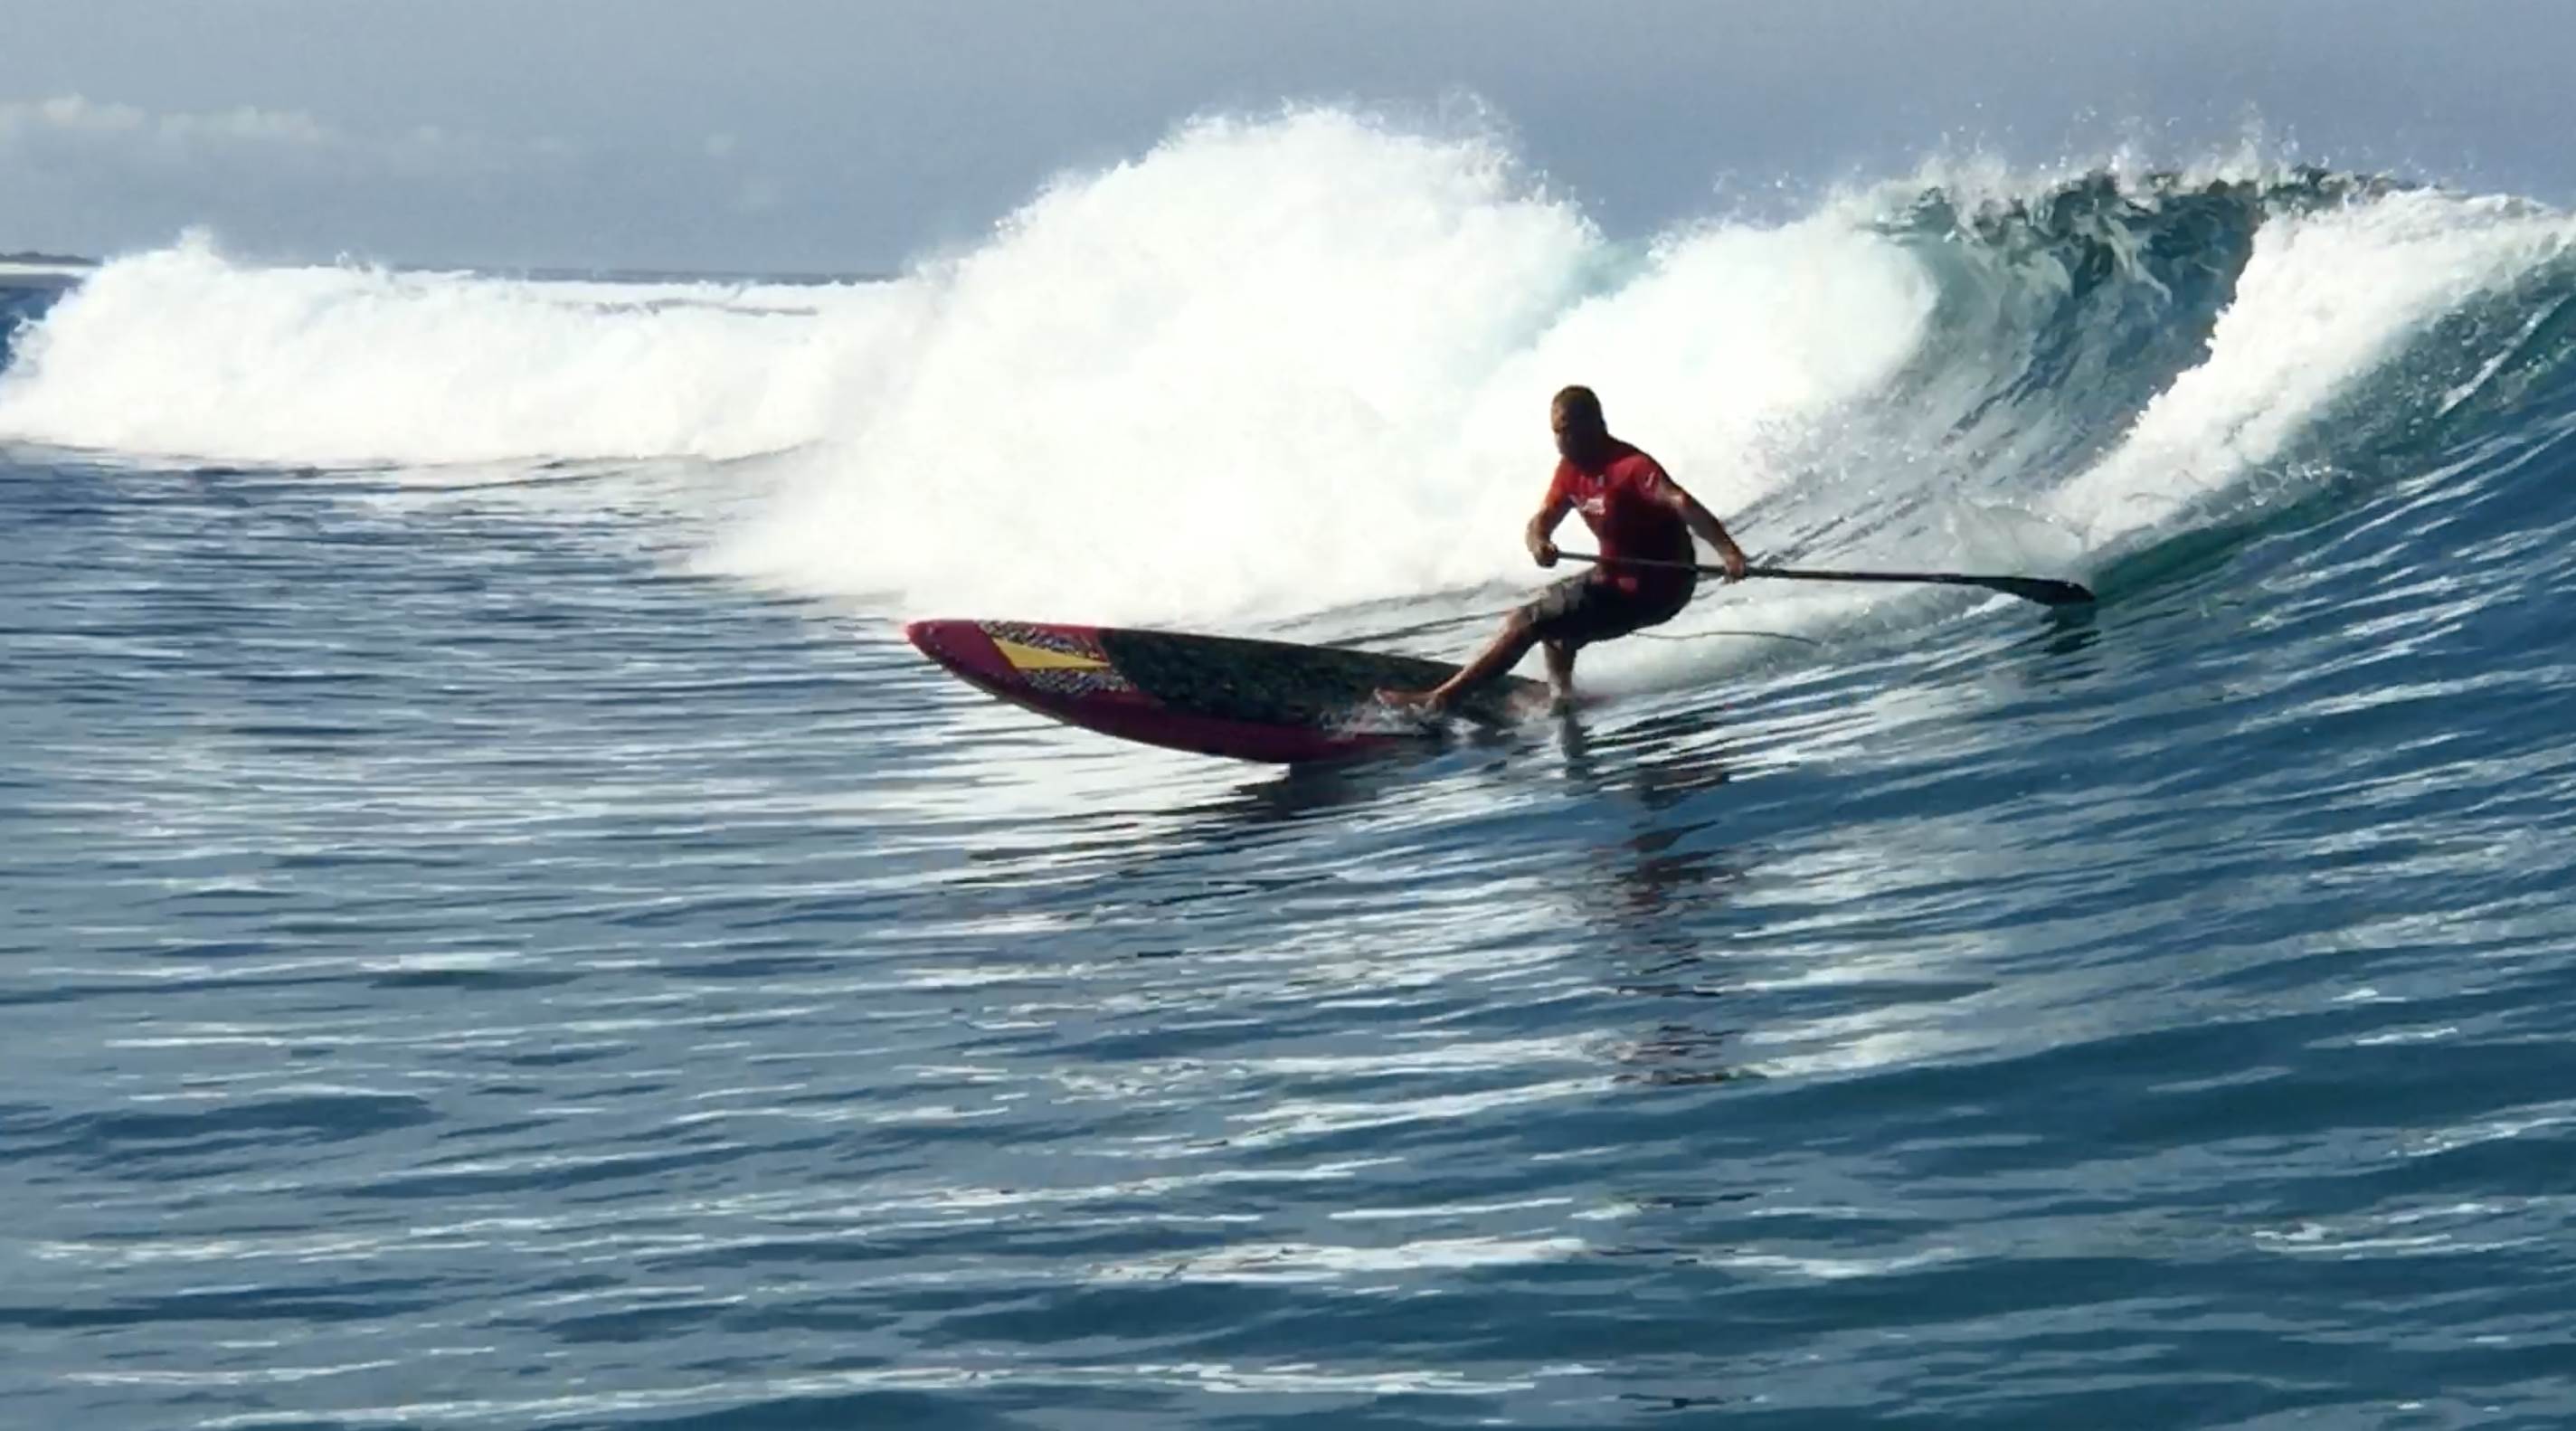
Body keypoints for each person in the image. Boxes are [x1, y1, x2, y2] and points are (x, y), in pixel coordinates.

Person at [1380, 385, 1748, 715]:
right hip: (1614, 583)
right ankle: (1563, 697)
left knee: (1528, 621)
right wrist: (1539, 542)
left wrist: (1728, 553)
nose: (1561, 440)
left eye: (1568, 430)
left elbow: (1681, 502)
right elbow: (1541, 519)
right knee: (1554, 618)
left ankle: (1439, 701)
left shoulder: (1630, 466)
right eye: (1556, 431)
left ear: (1595, 425)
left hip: (1657, 590)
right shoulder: (1570, 470)